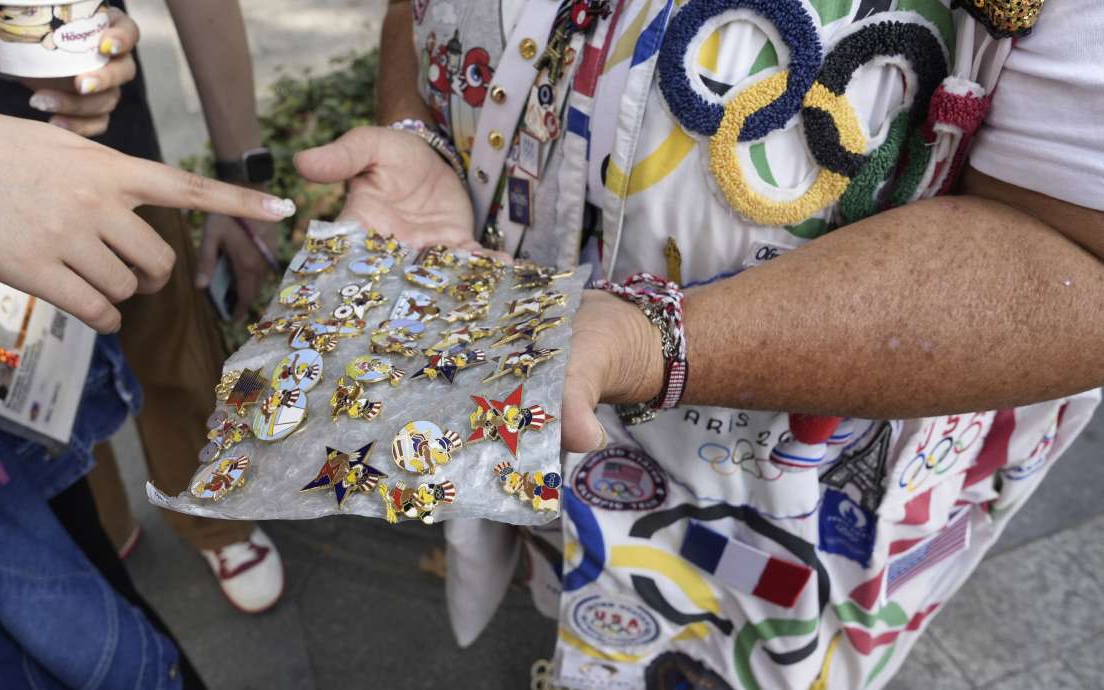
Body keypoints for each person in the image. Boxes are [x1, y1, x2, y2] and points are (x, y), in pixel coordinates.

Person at [296, 0, 1104, 688]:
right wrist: (421, 129)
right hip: (536, 395)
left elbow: (1080, 262)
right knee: (567, 595)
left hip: (785, 497)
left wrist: (652, 342)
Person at [0, 10, 294, 689]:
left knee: (170, 360)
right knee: (39, 414)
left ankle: (212, 524)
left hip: (112, 160)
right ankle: (104, 522)